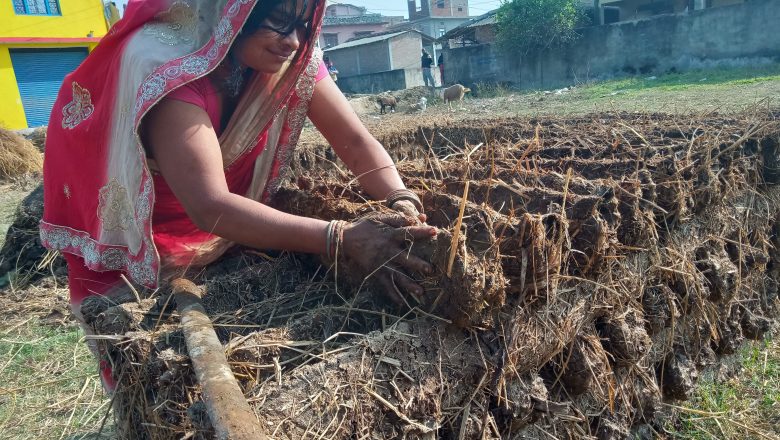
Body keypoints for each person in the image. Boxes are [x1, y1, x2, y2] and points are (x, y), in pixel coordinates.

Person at [41, 0, 436, 391]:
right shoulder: (165, 66)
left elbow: (353, 139)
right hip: (134, 233)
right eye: (279, 22)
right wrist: (341, 237)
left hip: (220, 225)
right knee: (151, 378)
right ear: (230, 12)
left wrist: (402, 199)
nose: (295, 41)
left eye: (303, 25)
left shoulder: (288, 61)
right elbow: (210, 204)